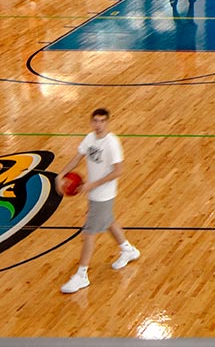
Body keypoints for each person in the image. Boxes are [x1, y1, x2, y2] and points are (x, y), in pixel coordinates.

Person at [57, 107, 140, 294]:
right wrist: (61, 174)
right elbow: (77, 158)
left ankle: (82, 275)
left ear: (107, 122)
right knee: (109, 221)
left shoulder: (112, 143)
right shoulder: (90, 138)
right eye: (95, 121)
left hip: (104, 194)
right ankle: (128, 250)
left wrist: (93, 185)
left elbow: (118, 171)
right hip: (94, 193)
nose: (98, 124)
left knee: (89, 234)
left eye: (102, 121)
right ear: (91, 122)